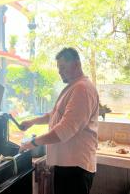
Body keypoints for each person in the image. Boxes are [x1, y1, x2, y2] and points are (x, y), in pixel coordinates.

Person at [19, 47, 99, 194]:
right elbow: (54, 114)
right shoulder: (73, 87)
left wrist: (32, 143)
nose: (59, 71)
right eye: (58, 67)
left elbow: (64, 130)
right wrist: (32, 122)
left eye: (62, 67)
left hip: (76, 169)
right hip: (68, 165)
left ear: (76, 64)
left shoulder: (82, 89)